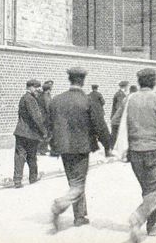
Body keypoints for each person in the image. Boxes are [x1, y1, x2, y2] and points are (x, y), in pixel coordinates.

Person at [113, 68, 156, 243]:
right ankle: (138, 217)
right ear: (154, 82)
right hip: (155, 149)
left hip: (134, 152)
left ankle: (153, 225)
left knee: (148, 188)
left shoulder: (129, 99)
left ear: (139, 82)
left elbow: (114, 121)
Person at [48, 67, 111, 231]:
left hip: (62, 147)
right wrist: (108, 145)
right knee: (78, 182)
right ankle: (61, 204)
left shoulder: (56, 100)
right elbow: (99, 126)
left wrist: (52, 144)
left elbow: (48, 125)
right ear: (82, 81)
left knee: (73, 181)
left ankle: (80, 216)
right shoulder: (88, 100)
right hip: (81, 147)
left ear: (70, 80)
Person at [13, 79, 47, 188]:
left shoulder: (23, 98)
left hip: (20, 132)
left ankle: (17, 180)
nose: (38, 90)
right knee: (32, 156)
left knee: (20, 156)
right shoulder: (31, 99)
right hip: (31, 133)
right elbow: (36, 117)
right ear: (30, 87)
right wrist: (44, 131)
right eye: (36, 88)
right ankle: (33, 177)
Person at [111, 80, 130, 149]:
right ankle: (113, 149)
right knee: (116, 134)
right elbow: (119, 107)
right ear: (125, 87)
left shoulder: (118, 93)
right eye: (127, 86)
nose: (128, 88)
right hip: (118, 119)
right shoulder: (120, 95)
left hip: (116, 118)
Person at [38, 80, 55, 156]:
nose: (51, 87)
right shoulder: (46, 96)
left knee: (46, 133)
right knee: (46, 133)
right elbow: (48, 107)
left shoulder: (43, 95)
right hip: (46, 118)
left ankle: (43, 148)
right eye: (50, 86)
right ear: (48, 89)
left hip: (44, 117)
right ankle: (42, 149)